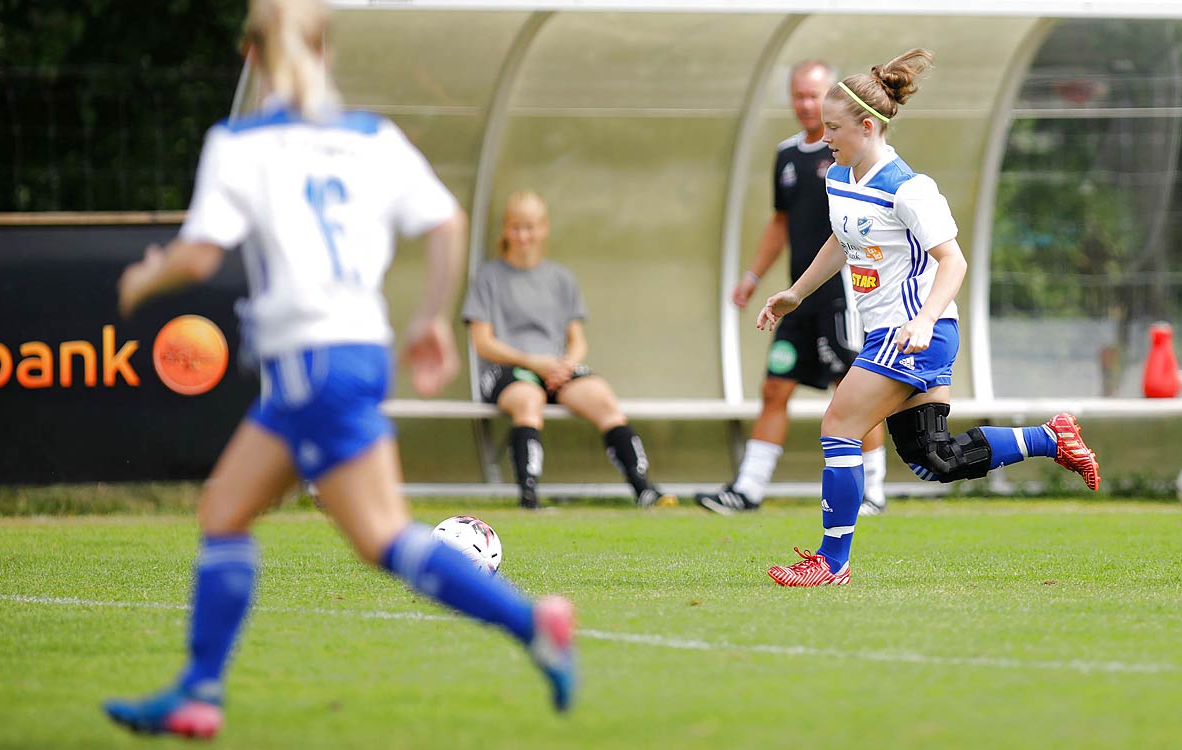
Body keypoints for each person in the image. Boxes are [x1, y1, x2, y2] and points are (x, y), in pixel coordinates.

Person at [103, 0, 574, 740]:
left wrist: (139, 278)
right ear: (324, 47)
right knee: (228, 511)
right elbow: (449, 222)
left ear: (252, 54)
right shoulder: (372, 137)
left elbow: (195, 258)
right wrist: (426, 319)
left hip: (310, 362)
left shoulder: (240, 143)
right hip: (352, 353)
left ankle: (531, 623)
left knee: (383, 537)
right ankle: (199, 692)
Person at [755, 50, 1101, 587]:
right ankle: (1051, 438)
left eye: (835, 128)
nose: (826, 137)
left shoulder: (910, 188)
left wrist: (923, 319)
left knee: (839, 426)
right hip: (893, 334)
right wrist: (795, 294)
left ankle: (831, 562)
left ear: (868, 126)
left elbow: (953, 261)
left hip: (916, 333)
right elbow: (842, 242)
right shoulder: (841, 177)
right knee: (932, 458)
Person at [699, 60, 889, 515]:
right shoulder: (786, 155)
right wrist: (751, 277)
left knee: (853, 390)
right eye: (799, 95)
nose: (806, 104)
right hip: (797, 296)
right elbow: (780, 223)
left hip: (841, 295)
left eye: (814, 96)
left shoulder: (848, 152)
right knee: (774, 388)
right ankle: (748, 489)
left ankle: (874, 491)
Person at [465, 190, 669, 509]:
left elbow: (578, 340)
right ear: (505, 228)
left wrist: (565, 365)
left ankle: (643, 488)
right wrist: (533, 362)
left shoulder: (560, 278)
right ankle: (529, 495)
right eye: (516, 227)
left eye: (530, 227)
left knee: (602, 397)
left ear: (544, 228)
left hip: (556, 370)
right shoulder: (488, 277)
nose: (523, 235)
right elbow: (483, 342)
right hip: (508, 370)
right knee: (528, 401)